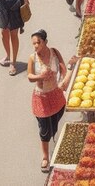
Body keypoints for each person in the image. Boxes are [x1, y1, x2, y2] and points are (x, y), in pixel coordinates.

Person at [27, 29, 68, 173]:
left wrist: (64, 81)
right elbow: (30, 76)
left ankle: (51, 140)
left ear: (45, 42)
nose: (36, 46)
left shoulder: (54, 53)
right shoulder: (32, 58)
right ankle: (45, 157)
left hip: (56, 95)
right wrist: (41, 77)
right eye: (33, 43)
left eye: (38, 42)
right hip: (41, 98)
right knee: (44, 128)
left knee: (54, 125)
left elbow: (63, 68)